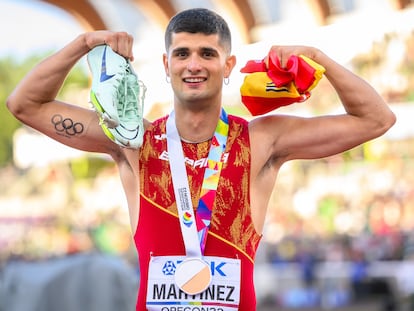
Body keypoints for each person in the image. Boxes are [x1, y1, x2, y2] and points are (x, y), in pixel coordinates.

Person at [6, 7, 395, 311]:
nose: (194, 64)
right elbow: (25, 104)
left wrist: (317, 57)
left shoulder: (261, 139)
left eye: (207, 53)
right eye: (182, 54)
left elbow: (377, 119)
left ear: (228, 66)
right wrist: (84, 42)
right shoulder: (133, 139)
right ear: (166, 65)